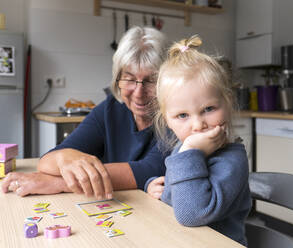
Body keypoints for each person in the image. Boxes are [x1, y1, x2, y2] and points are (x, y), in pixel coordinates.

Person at [2, 26, 168, 199]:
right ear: (117, 77)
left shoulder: (178, 114)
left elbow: (151, 169)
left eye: (151, 81)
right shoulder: (110, 109)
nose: (138, 93)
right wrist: (63, 158)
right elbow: (46, 161)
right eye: (129, 78)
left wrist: (58, 183)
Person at [145, 35, 251, 246]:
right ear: (167, 120)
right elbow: (174, 199)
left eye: (209, 109)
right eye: (182, 115)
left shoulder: (231, 161)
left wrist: (191, 150)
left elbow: (191, 214)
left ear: (228, 103)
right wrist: (154, 186)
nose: (198, 125)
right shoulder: (184, 150)